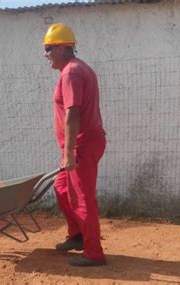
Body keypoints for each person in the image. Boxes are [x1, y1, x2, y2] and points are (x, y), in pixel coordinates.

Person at [43, 23, 107, 267]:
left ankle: (94, 253)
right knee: (62, 189)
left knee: (82, 198)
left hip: (80, 146)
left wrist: (69, 152)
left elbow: (73, 113)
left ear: (62, 48)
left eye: (49, 48)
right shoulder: (78, 69)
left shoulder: (71, 72)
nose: (46, 54)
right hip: (80, 144)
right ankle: (78, 235)